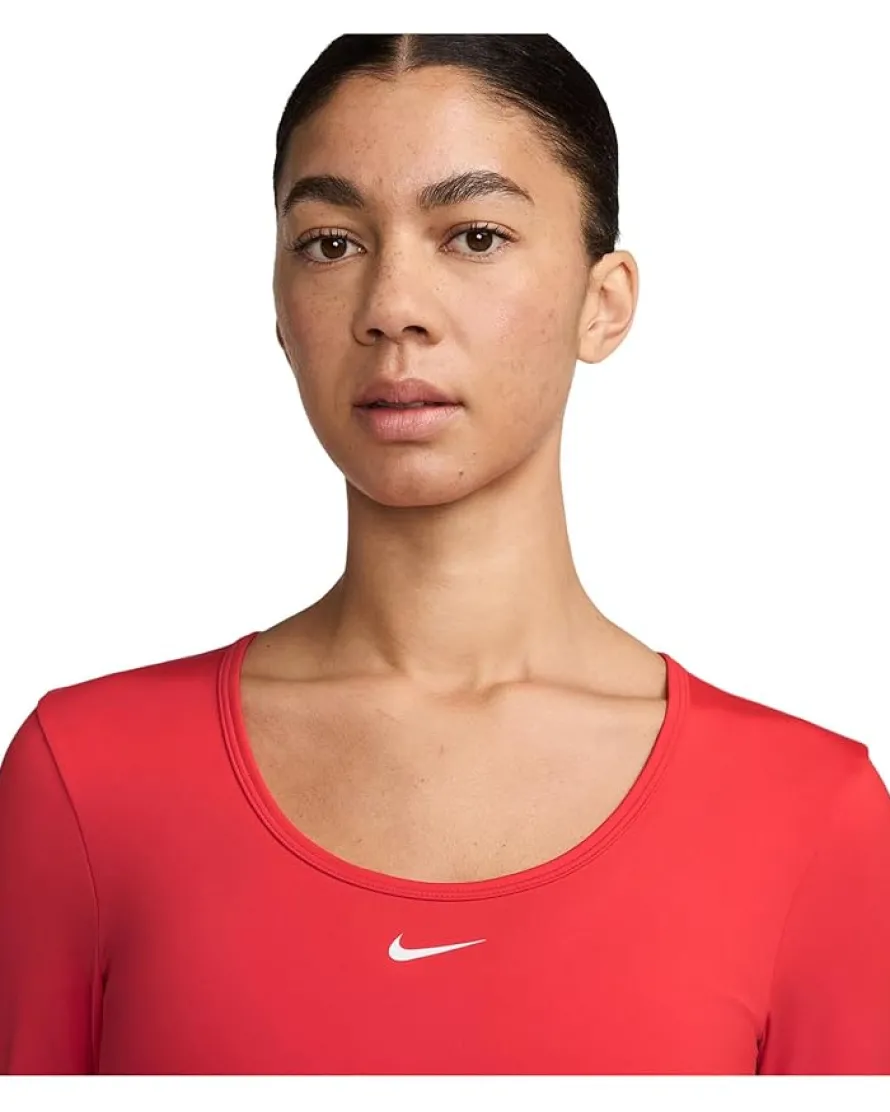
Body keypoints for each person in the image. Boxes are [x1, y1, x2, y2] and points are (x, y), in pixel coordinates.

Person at [1, 32, 889, 1076]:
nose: (391, 310)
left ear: (603, 302)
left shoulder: (809, 818)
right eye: (331, 243)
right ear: (279, 309)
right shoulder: (85, 779)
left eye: (473, 235)